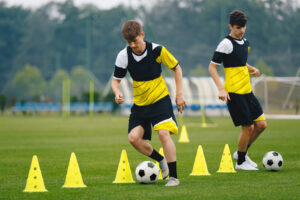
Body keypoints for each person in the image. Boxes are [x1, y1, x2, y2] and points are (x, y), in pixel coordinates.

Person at [112, 20, 186, 185]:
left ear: (142, 35)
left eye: (135, 41)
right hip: (140, 105)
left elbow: (176, 68)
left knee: (163, 133)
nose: (133, 45)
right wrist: (117, 93)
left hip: (160, 100)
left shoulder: (157, 50)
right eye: (129, 42)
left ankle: (173, 177)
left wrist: (179, 94)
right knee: (133, 138)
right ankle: (161, 160)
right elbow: (115, 81)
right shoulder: (123, 56)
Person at [208, 10, 267, 170]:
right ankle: (241, 162)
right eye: (237, 28)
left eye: (243, 27)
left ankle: (241, 153)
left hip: (247, 90)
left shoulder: (246, 42)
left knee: (261, 125)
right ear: (230, 26)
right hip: (234, 92)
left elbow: (239, 63)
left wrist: (251, 68)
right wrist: (221, 89)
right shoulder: (225, 44)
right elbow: (212, 67)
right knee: (248, 127)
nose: (241, 31)